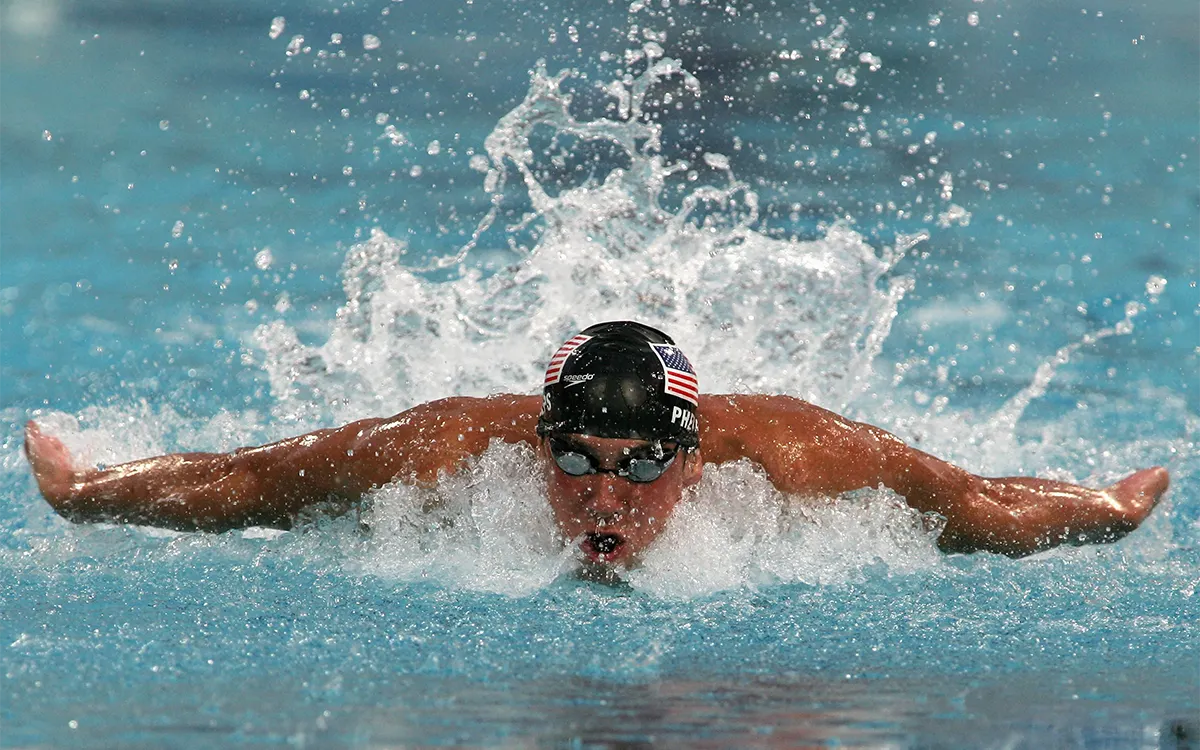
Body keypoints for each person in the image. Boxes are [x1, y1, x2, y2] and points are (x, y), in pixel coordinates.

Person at [24, 321, 1168, 565]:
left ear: (694, 457)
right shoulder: (441, 452)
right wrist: (91, 493)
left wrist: (1105, 512)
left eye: (640, 466)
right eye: (575, 462)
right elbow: (250, 480)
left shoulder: (796, 456)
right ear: (540, 445)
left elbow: (975, 506)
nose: (602, 497)